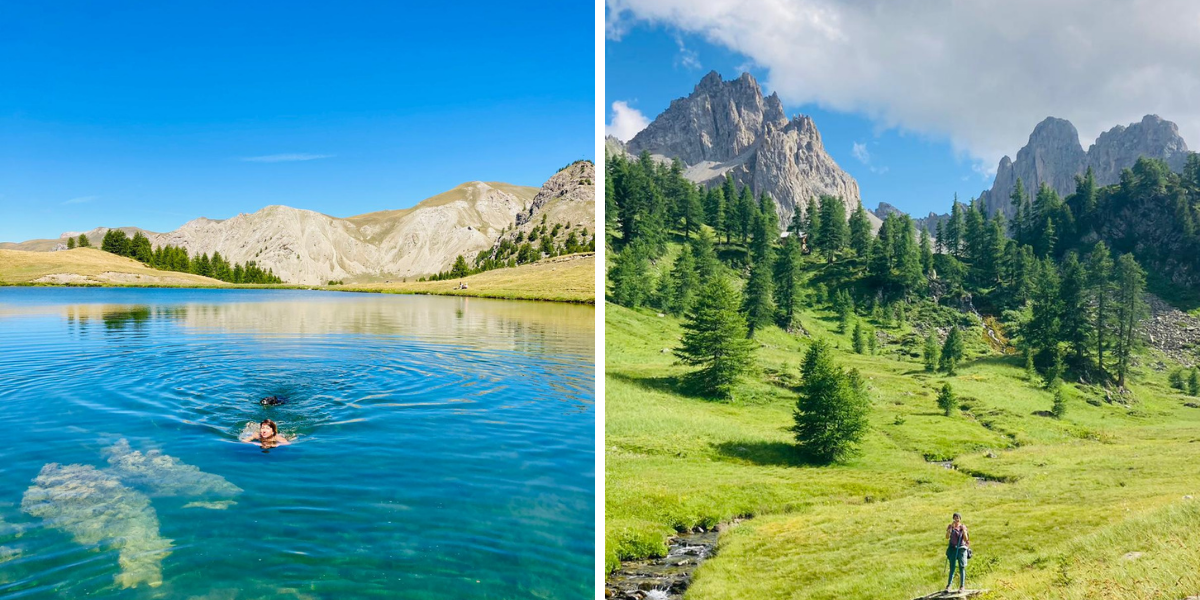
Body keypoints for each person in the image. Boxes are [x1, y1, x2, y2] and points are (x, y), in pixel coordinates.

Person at [945, 512, 969, 592]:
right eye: (955, 518)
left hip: (961, 548)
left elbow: (966, 539)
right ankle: (949, 586)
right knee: (952, 567)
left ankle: (962, 586)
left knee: (962, 567)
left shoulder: (963, 527)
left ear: (960, 519)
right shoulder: (950, 527)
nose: (956, 520)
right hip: (953, 549)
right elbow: (947, 537)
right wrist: (950, 529)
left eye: (957, 518)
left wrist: (964, 531)